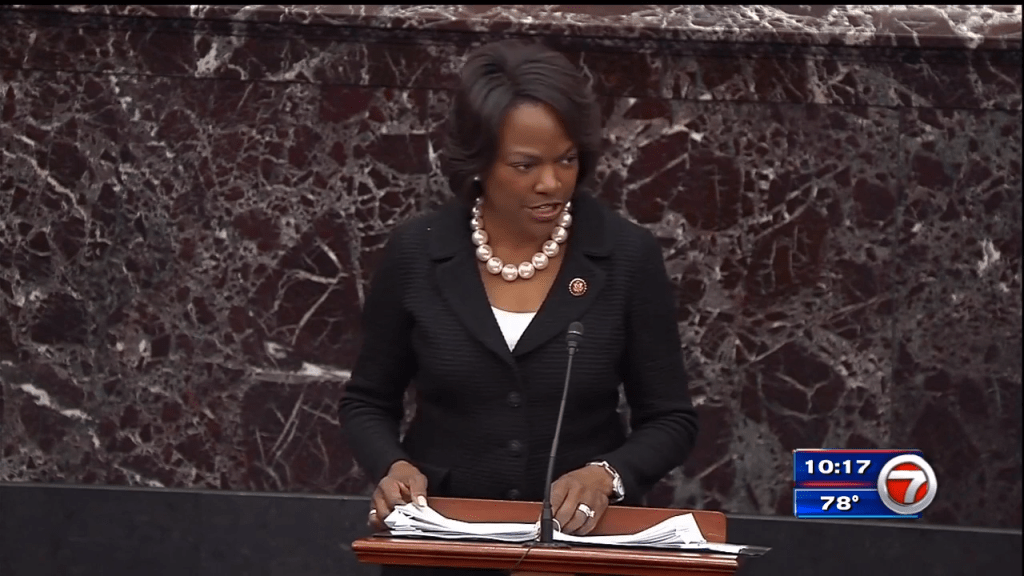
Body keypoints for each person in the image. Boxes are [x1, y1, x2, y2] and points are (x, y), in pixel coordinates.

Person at [339, 39, 699, 576]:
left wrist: (607, 475)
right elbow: (367, 400)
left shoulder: (626, 255)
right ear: (479, 161)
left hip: (578, 552)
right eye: (525, 165)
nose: (552, 183)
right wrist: (394, 466)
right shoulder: (418, 252)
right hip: (441, 551)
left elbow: (671, 418)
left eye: (567, 159)